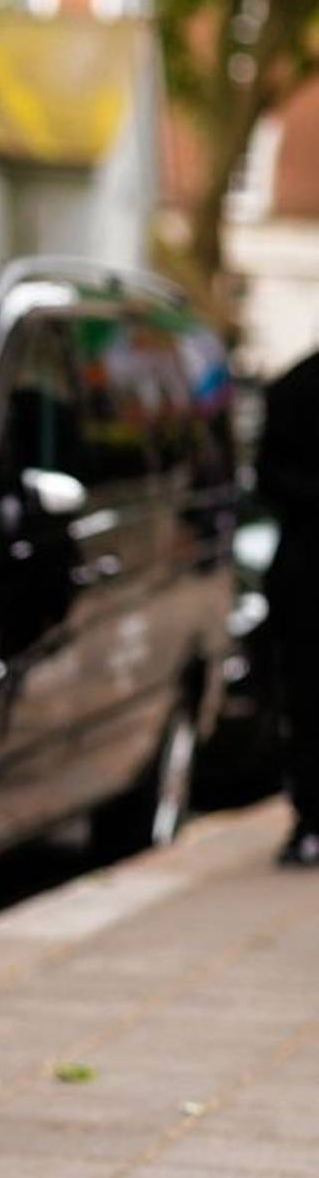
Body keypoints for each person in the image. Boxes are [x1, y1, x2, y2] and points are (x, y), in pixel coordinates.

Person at [258, 350, 319, 866]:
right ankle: (309, 817)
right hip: (304, 576)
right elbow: (268, 478)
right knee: (304, 700)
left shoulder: (289, 386)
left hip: (300, 573)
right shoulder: (294, 389)